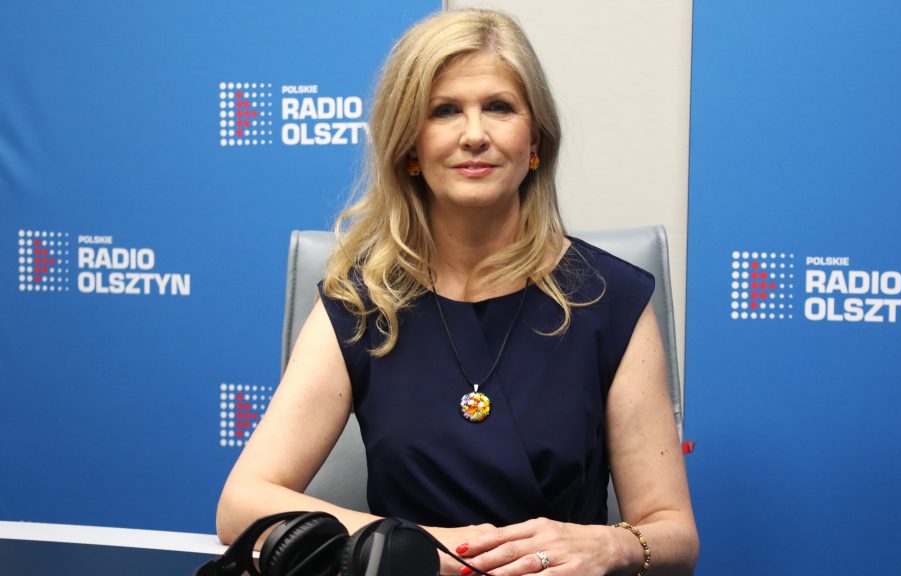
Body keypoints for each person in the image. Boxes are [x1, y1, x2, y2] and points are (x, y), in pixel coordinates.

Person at [216, 8, 698, 575]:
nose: (474, 134)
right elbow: (241, 505)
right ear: (410, 147)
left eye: (499, 107)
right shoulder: (363, 302)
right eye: (444, 111)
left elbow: (673, 532)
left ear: (534, 138)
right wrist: (424, 547)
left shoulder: (609, 299)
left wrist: (611, 546)